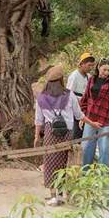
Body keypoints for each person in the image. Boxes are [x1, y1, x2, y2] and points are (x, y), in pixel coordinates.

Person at [34, 66, 83, 206]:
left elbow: (39, 120)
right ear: (62, 80)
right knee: (63, 164)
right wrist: (83, 122)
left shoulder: (42, 98)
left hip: (50, 133)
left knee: (50, 164)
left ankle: (53, 196)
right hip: (67, 133)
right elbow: (78, 115)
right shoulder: (69, 95)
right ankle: (61, 195)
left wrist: (36, 136)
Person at [80, 59, 109, 168]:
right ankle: (86, 174)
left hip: (105, 120)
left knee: (104, 149)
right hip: (90, 119)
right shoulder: (91, 79)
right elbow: (85, 98)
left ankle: (103, 177)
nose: (106, 72)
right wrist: (83, 116)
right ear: (99, 67)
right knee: (86, 148)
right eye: (104, 69)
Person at [66, 52, 96, 138]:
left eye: (92, 66)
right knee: (76, 133)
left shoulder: (89, 76)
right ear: (82, 64)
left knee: (84, 132)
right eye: (89, 65)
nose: (90, 68)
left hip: (85, 108)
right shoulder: (74, 76)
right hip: (75, 108)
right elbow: (68, 94)